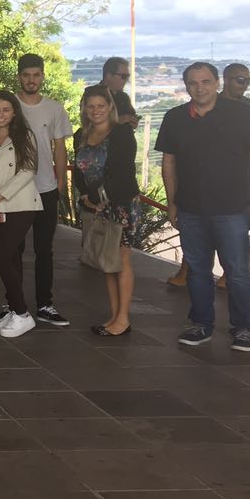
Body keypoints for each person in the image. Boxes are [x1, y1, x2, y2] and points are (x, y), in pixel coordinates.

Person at [156, 61, 250, 352]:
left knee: (237, 271)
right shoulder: (175, 117)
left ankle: (243, 328)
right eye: (193, 83)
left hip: (233, 208)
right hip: (190, 207)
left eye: (205, 82)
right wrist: (172, 202)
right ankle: (201, 324)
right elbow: (169, 162)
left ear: (217, 83)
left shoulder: (240, 114)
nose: (199, 88)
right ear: (186, 86)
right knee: (197, 270)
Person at [9, 53, 72, 327]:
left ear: (43, 77)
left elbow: (60, 147)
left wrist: (60, 183)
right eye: (26, 75)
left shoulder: (54, 108)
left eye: (36, 75)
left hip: (46, 187)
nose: (31, 80)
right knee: (13, 248)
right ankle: (13, 303)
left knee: (44, 249)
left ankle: (45, 304)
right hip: (15, 190)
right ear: (19, 77)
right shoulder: (9, 106)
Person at [72, 85, 141, 336]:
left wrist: (100, 198)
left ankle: (123, 319)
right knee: (107, 261)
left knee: (121, 260)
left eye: (100, 105)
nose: (96, 110)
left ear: (110, 107)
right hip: (94, 204)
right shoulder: (80, 134)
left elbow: (122, 171)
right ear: (84, 109)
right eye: (90, 106)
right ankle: (113, 315)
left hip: (121, 204)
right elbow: (78, 170)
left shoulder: (122, 134)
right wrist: (86, 196)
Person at [0, 91, 42, 340]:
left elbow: (28, 170)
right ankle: (14, 309)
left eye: (6, 109)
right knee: (12, 258)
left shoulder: (25, 137)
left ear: (14, 112)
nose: (0, 114)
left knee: (0, 257)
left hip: (20, 206)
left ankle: (23, 313)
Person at [101, 57, 139, 126]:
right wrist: (117, 120)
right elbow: (89, 123)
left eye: (128, 76)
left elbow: (132, 117)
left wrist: (133, 121)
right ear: (109, 75)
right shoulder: (93, 95)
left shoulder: (124, 97)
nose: (126, 80)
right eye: (123, 76)